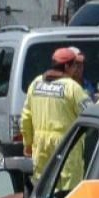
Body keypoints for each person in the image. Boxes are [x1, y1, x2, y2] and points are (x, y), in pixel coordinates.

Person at [20, 46, 89, 180]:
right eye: (74, 65)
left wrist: (27, 143)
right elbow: (91, 113)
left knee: (42, 188)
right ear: (67, 66)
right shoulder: (72, 87)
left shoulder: (36, 84)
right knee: (66, 193)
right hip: (66, 148)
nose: (76, 69)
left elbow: (25, 118)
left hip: (40, 148)